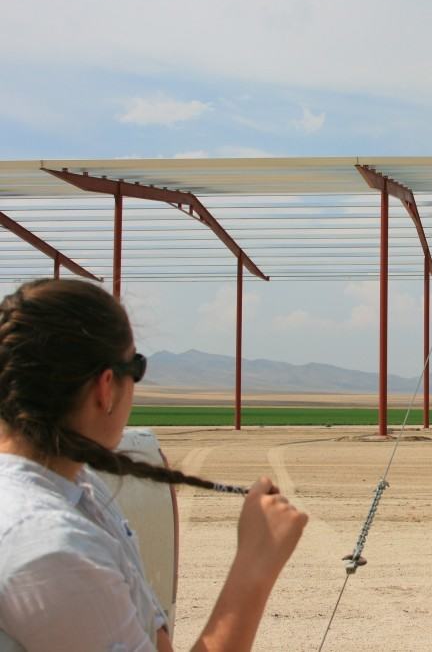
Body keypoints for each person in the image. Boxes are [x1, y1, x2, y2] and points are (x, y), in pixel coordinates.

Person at [0, 279, 308, 651]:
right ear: (106, 387)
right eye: (138, 366)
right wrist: (254, 566)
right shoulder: (52, 549)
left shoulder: (78, 487)